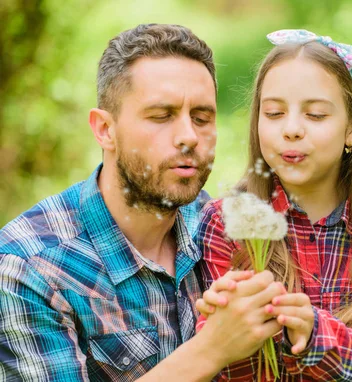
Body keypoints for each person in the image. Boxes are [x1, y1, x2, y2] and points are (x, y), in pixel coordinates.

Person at [0, 23, 284, 381]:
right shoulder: (30, 268)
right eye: (161, 116)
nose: (188, 137)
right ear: (105, 130)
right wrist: (213, 348)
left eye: (202, 118)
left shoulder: (221, 231)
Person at [195, 29, 352, 381]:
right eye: (273, 113)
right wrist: (220, 323)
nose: (291, 129)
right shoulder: (226, 222)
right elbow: (221, 364)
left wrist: (316, 334)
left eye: (315, 115)